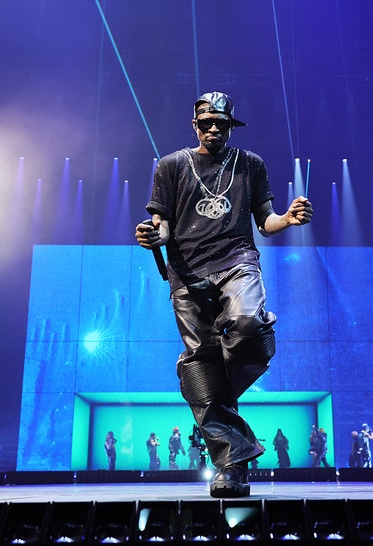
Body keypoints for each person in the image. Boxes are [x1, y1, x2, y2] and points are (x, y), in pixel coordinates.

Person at [135, 91, 313, 497]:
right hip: (186, 273)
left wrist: (288, 217)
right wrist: (151, 235)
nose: (213, 128)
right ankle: (232, 466)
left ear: (232, 125)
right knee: (202, 368)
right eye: (206, 122)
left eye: (221, 123)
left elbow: (266, 222)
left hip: (236, 260)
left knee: (247, 326)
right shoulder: (171, 165)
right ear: (194, 124)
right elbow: (162, 225)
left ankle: (210, 391)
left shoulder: (250, 164)